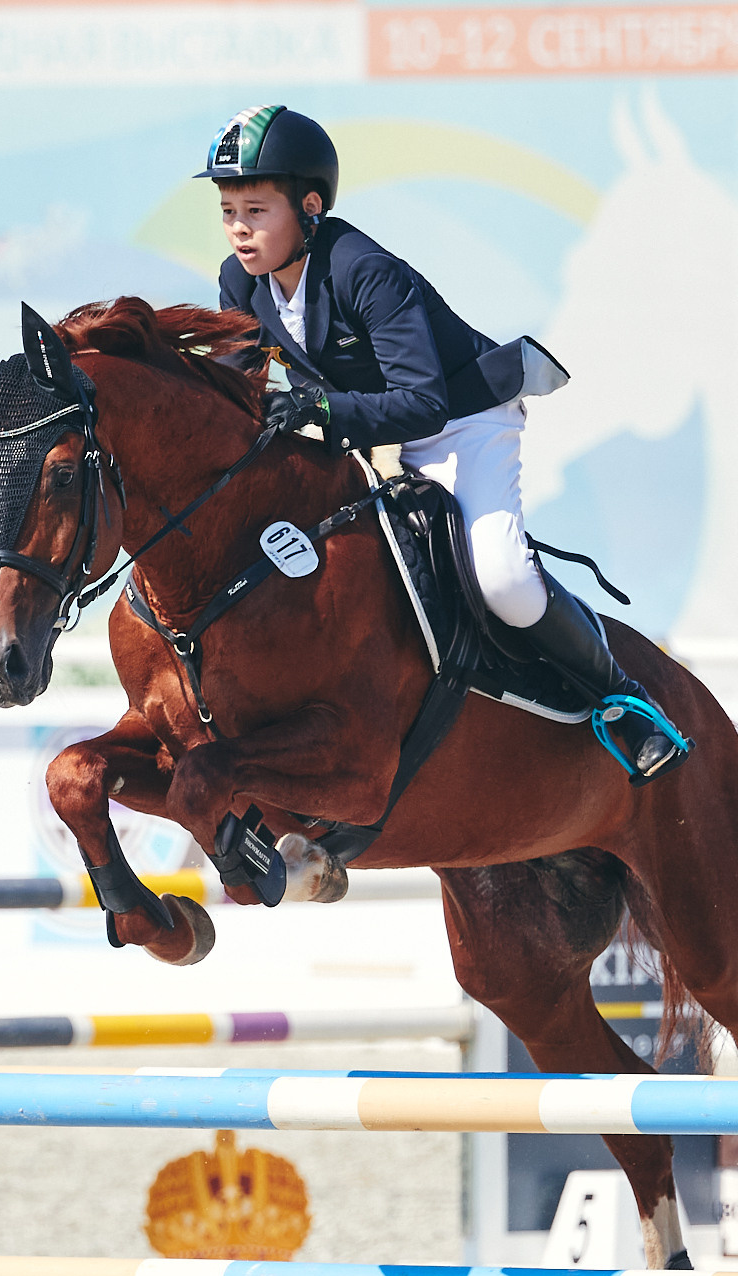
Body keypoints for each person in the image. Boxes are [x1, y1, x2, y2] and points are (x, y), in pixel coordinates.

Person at [199, 103, 684, 782]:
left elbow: (423, 403)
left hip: (463, 419)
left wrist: (318, 409)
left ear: (309, 208)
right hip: (370, 429)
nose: (239, 229)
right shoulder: (240, 281)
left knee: (502, 578)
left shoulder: (365, 271)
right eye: (228, 211)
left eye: (256, 210)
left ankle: (623, 699)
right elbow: (234, 392)